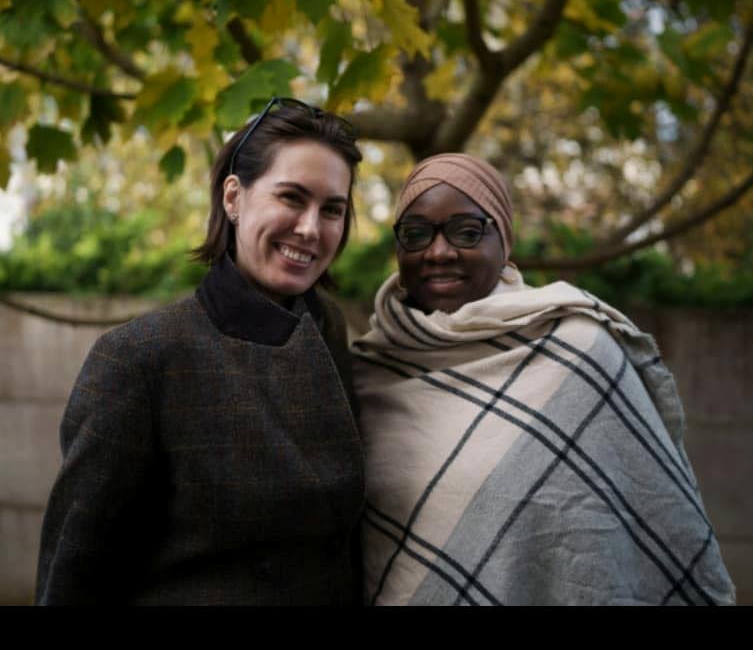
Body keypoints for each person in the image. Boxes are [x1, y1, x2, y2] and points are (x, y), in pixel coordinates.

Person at [352, 153, 735, 606]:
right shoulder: (368, 368)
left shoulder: (579, 351)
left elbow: (645, 518)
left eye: (467, 231)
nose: (439, 251)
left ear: (504, 239)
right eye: (416, 234)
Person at [36, 97, 365, 605]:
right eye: (292, 198)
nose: (310, 228)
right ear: (234, 197)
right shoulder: (139, 358)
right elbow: (74, 579)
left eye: (332, 210)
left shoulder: (329, 331)